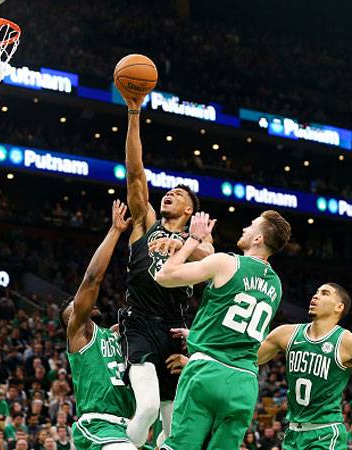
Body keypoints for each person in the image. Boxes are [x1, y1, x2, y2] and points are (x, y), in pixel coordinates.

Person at [119, 94, 214, 447]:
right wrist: (133, 113)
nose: (169, 194)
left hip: (176, 332)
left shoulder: (198, 245)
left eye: (178, 194)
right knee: (145, 410)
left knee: (174, 428)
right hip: (140, 322)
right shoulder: (146, 223)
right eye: (168, 192)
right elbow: (134, 172)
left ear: (190, 209)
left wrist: (187, 244)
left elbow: (210, 259)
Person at [153, 210, 291, 450]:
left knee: (178, 446)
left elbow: (164, 275)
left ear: (258, 239)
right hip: (245, 382)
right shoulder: (276, 285)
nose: (245, 229)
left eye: (251, 225)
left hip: (207, 372)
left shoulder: (227, 262)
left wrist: (194, 240)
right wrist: (196, 335)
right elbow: (239, 328)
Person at [258, 283, 352, 449]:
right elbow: (250, 359)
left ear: (339, 307)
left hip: (325, 434)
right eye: (316, 292)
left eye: (325, 293)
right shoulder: (285, 334)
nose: (315, 296)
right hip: (293, 432)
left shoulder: (349, 343)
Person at [59, 200, 136, 450]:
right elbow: (92, 279)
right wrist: (115, 231)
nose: (80, 302)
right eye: (74, 303)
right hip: (99, 424)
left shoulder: (115, 334)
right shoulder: (79, 333)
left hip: (132, 426)